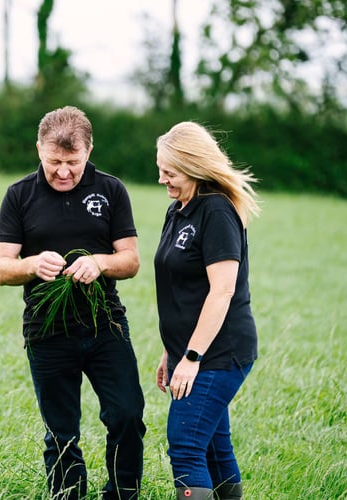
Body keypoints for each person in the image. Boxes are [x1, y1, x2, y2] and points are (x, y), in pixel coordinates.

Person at [0, 106, 146, 500]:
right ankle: (68, 495)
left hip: (104, 324)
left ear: (89, 151)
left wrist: (99, 263)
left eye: (72, 162)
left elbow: (130, 261)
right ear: (38, 150)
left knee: (127, 415)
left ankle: (122, 493)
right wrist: (31, 265)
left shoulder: (111, 191)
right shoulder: (19, 195)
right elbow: (1, 268)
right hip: (46, 329)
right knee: (61, 430)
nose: (62, 171)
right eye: (53, 161)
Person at [153, 122, 260, 500]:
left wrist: (192, 357)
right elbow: (180, 287)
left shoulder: (216, 211)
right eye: (160, 168)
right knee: (214, 447)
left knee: (185, 445)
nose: (162, 178)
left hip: (219, 353)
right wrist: (172, 350)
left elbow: (222, 290)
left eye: (170, 172)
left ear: (194, 167)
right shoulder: (179, 210)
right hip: (191, 350)